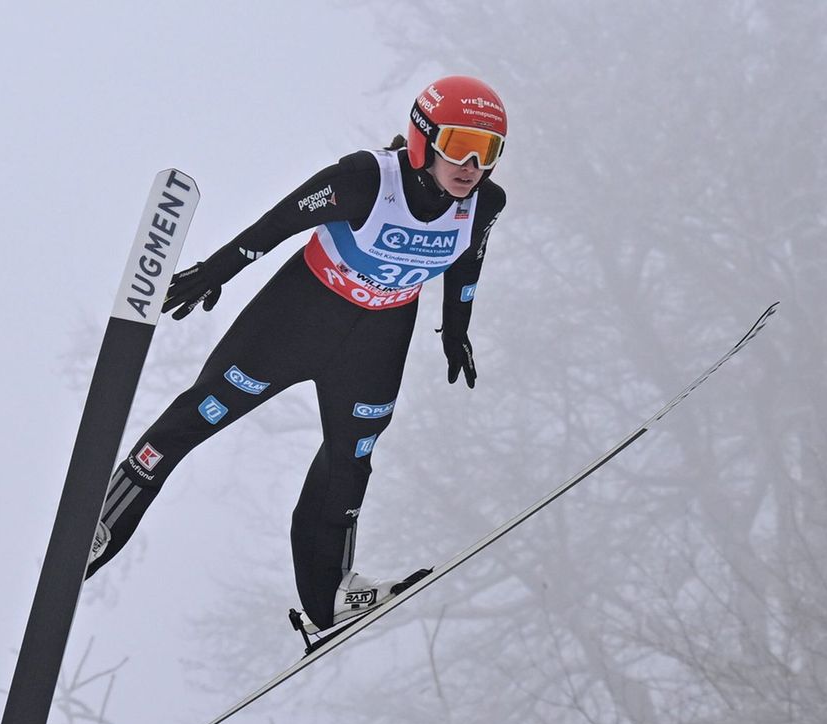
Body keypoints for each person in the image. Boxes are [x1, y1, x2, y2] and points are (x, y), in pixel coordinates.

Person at [84, 76, 509, 635]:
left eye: (489, 151)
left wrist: (456, 329)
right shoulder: (364, 179)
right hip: (298, 319)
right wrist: (214, 272)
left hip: (377, 341)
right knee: (198, 416)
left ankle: (330, 595)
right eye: (459, 144)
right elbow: (279, 223)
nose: (472, 164)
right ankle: (99, 529)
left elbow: (467, 262)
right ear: (423, 138)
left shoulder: (484, 203)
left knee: (350, 461)